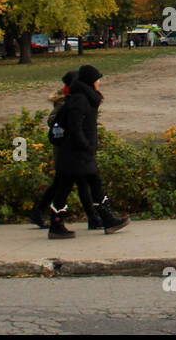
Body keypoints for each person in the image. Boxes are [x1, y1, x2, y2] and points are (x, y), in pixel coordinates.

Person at [45, 64, 128, 239]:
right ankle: (59, 224)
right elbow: (75, 127)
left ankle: (105, 219)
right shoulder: (79, 99)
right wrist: (86, 145)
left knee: (79, 185)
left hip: (79, 153)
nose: (99, 82)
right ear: (91, 81)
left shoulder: (84, 97)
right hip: (76, 153)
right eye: (97, 79)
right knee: (74, 185)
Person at [27, 71, 96, 229]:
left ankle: (39, 212)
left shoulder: (75, 98)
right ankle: (93, 218)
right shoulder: (65, 101)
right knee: (80, 182)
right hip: (65, 149)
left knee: (63, 183)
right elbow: (53, 120)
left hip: (70, 148)